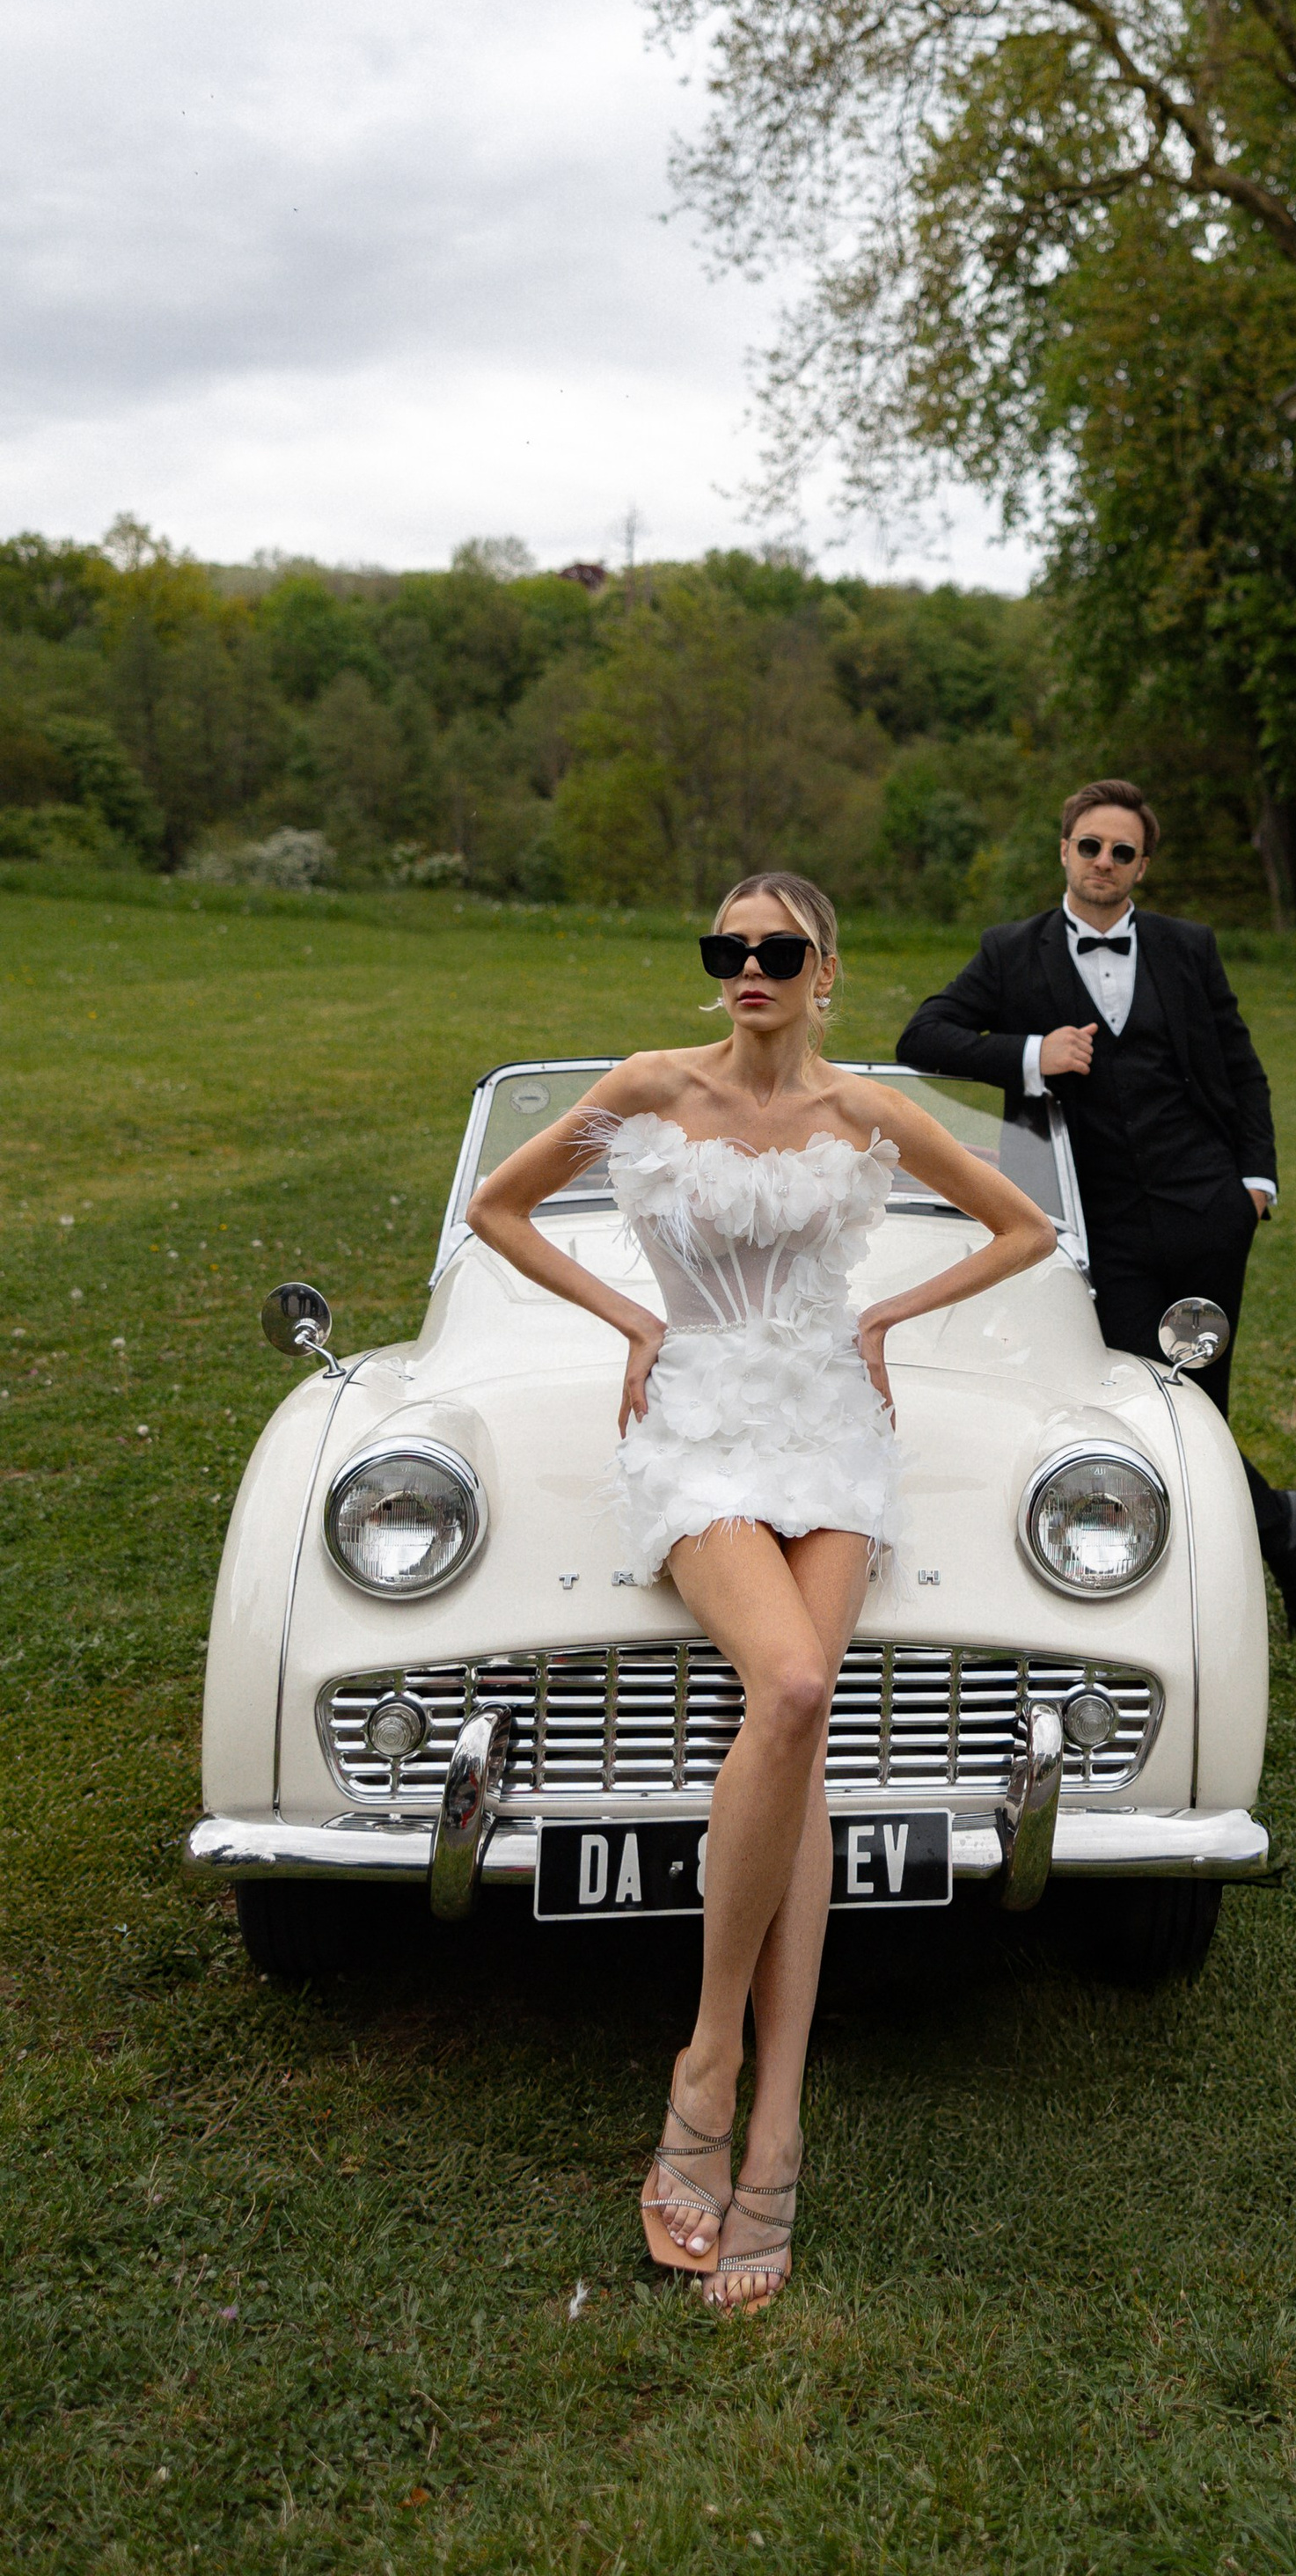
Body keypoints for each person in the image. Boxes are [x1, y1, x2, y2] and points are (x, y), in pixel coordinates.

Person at [466, 869, 1054, 2313]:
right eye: (726, 947)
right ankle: (708, 2063)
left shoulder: (870, 1111)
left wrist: (880, 1319)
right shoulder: (648, 1089)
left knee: (801, 1732)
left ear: (825, 967)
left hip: (833, 1435)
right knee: (790, 1688)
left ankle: (774, 2130)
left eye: (775, 949)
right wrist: (633, 1322)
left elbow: (1023, 1229)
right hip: (699, 1425)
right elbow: (501, 1205)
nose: (747, 967)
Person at [896, 778, 1296, 1638]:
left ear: (1142, 865)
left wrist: (1256, 1183)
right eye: (1089, 846)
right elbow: (922, 1036)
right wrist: (1030, 1053)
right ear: (1064, 851)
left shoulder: (1188, 949)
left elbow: (1240, 1068)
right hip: (1093, 1221)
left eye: (1121, 851)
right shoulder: (1010, 952)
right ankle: (1278, 1522)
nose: (1103, 863)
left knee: (1203, 1392)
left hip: (1205, 1205)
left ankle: (1206, 1583)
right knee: (1133, 1392)